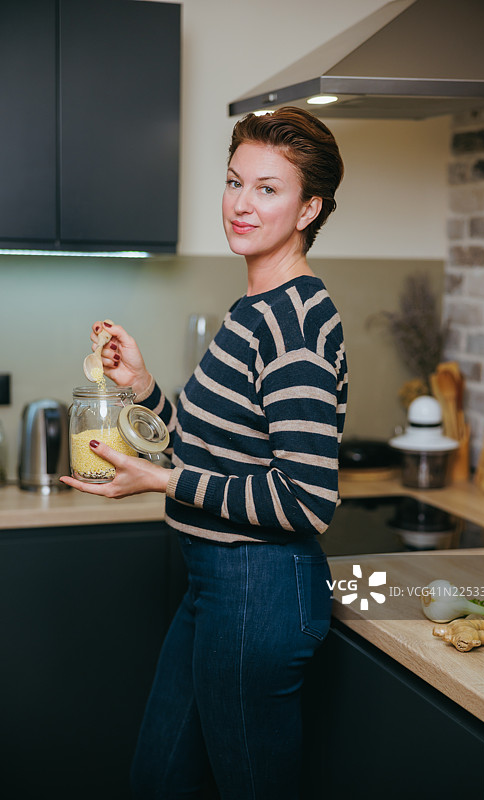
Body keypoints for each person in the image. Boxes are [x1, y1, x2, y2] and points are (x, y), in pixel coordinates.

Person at [61, 106, 347, 799]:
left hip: (261, 593)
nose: (241, 204)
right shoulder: (253, 309)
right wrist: (144, 387)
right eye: (233, 181)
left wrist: (161, 479)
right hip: (216, 589)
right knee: (158, 781)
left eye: (268, 189)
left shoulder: (297, 325)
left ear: (310, 207)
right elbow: (205, 446)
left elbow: (306, 501)